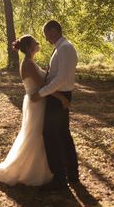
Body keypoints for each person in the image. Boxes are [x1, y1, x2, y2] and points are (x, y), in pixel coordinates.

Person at [0, 35, 69, 186]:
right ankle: (32, 170)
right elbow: (42, 86)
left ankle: (44, 168)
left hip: (38, 100)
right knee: (36, 134)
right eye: (35, 42)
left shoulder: (30, 62)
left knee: (40, 134)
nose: (38, 43)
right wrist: (61, 98)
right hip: (36, 102)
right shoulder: (28, 64)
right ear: (28, 47)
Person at [30, 20, 79, 189]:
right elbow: (56, 75)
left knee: (52, 135)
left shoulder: (65, 48)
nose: (46, 39)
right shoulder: (61, 47)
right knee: (62, 134)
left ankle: (60, 177)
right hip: (57, 95)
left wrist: (41, 93)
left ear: (53, 31)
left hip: (59, 96)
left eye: (46, 35)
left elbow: (62, 78)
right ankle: (70, 174)